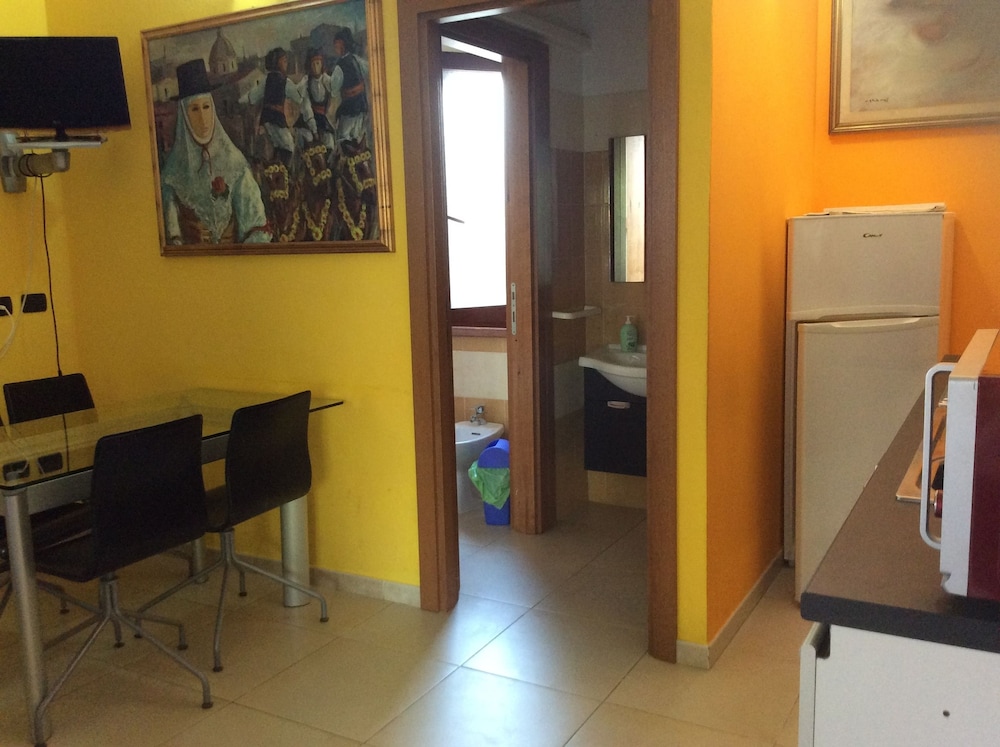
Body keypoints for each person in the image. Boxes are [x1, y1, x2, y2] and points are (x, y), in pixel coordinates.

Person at [160, 59, 271, 245]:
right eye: (194, 109)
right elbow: (171, 234)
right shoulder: (171, 173)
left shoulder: (235, 163)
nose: (203, 118)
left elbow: (256, 226)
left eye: (206, 107)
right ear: (184, 116)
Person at [241, 47, 316, 165]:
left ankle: (276, 168)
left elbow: (253, 97)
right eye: (284, 60)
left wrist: (241, 101)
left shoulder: (266, 79)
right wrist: (304, 82)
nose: (286, 63)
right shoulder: (285, 81)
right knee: (289, 147)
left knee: (278, 146)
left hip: (266, 119)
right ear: (277, 62)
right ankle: (282, 173)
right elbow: (298, 97)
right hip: (277, 119)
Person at [328, 29, 370, 149]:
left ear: (342, 45)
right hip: (361, 105)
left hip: (349, 108)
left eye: (336, 45)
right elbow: (368, 70)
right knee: (357, 138)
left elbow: (334, 89)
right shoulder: (356, 60)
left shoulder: (339, 67)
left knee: (344, 140)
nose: (335, 48)